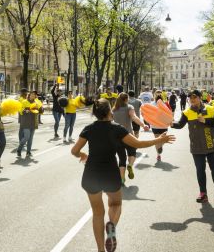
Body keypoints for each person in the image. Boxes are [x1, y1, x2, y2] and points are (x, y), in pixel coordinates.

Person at [71, 98, 175, 252]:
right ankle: (111, 225)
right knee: (115, 204)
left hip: (91, 174)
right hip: (110, 173)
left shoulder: (88, 129)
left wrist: (82, 155)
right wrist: (159, 140)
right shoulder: (117, 129)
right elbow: (138, 144)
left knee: (97, 213)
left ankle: (100, 250)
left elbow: (74, 151)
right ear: (109, 112)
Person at [171, 89, 214, 205]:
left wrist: (205, 121)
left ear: (199, 97)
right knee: (200, 171)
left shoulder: (210, 109)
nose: (192, 100)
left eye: (194, 97)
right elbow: (180, 125)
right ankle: (203, 194)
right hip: (197, 146)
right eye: (190, 98)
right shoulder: (187, 112)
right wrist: (171, 123)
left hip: (211, 145)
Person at [112, 92, 149, 183]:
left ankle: (122, 179)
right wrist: (143, 125)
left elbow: (108, 121)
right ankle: (130, 165)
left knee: (121, 158)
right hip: (128, 135)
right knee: (132, 153)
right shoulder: (129, 107)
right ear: (126, 99)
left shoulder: (113, 109)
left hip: (116, 137)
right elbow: (134, 117)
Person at [17, 91, 43, 158]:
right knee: (26, 137)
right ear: (29, 95)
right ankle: (19, 149)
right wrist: (25, 110)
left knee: (30, 139)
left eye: (34, 95)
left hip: (33, 122)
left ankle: (28, 152)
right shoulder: (24, 102)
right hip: (26, 122)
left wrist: (41, 109)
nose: (33, 95)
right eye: (32, 94)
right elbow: (20, 110)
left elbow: (40, 110)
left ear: (35, 96)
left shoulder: (37, 103)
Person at [151, 91, 169, 161]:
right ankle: (160, 146)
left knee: (157, 140)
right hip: (163, 125)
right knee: (162, 139)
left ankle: (158, 154)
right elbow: (169, 114)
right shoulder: (165, 104)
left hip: (154, 125)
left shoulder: (152, 104)